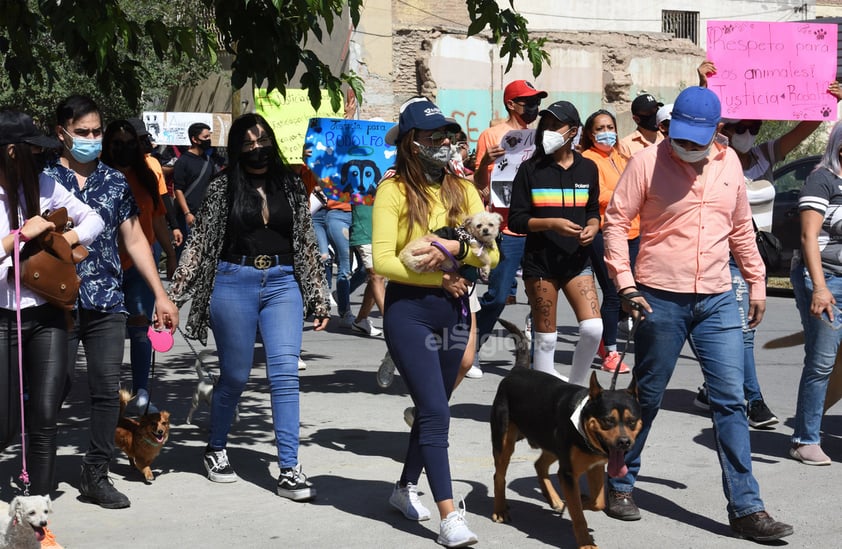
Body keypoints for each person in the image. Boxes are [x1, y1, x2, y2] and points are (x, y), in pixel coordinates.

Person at [602, 86, 793, 542]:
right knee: (647, 398)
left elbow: (740, 228)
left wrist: (756, 281)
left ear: (716, 132)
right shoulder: (646, 162)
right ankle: (620, 483)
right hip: (657, 297)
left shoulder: (730, 164)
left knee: (730, 400)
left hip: (717, 297)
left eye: (696, 138)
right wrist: (625, 284)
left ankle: (747, 508)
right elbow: (614, 222)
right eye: (680, 136)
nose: (686, 146)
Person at [167, 113, 330, 500]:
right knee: (235, 377)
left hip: (283, 283)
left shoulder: (290, 183)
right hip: (233, 282)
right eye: (248, 142)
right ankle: (217, 447)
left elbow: (306, 241)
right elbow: (200, 245)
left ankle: (289, 467)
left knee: (285, 375)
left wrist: (317, 296)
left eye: (262, 140)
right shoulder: (223, 187)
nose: (257, 148)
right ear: (237, 149)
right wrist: (172, 299)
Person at [373, 98, 496, 547]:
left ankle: (404, 486)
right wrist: (437, 275)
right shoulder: (391, 191)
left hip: (456, 309)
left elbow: (493, 252)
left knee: (431, 408)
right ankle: (449, 517)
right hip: (409, 312)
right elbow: (384, 261)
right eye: (433, 136)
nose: (444, 142)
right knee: (437, 410)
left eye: (448, 135)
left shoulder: (463, 189)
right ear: (411, 143)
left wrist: (459, 255)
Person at [46, 95, 179, 510]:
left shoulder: (115, 181)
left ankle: (96, 474)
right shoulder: (43, 178)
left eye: (96, 131)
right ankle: (39, 469)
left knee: (106, 390)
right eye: (82, 132)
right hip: (54, 300)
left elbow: (135, 238)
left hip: (106, 298)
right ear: (62, 133)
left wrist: (160, 293)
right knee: (53, 386)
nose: (91, 139)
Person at [693, 61, 842, 428]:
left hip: (755, 254)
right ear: (724, 126)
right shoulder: (716, 155)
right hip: (720, 252)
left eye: (753, 126)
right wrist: (704, 85)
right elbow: (701, 131)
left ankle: (716, 387)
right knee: (742, 330)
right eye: (738, 125)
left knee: (742, 327)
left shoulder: (765, 155)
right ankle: (753, 401)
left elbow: (807, 124)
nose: (747, 131)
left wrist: (828, 98)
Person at [0, 110, 104, 548]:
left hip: (47, 315)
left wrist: (62, 241)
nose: (45, 157)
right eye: (36, 150)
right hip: (2, 319)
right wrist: (22, 236)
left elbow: (95, 220)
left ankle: (35, 515)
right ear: (11, 152)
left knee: (45, 415)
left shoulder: (44, 186)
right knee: (5, 421)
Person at [508, 101, 602, 385]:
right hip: (540, 265)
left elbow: (593, 209)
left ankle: (575, 389)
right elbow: (516, 220)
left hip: (577, 262)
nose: (547, 130)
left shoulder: (588, 169)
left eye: (555, 125)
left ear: (573, 131)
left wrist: (594, 226)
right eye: (545, 124)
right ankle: (543, 397)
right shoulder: (530, 170)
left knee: (593, 329)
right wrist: (551, 224)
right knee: (546, 339)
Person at [100, 119, 178, 414]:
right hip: (104, 269)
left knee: (140, 327)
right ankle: (109, 395)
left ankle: (141, 392)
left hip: (139, 267)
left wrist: (170, 254)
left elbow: (157, 219)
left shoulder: (146, 177)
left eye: (130, 143)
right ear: (107, 146)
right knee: (106, 332)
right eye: (117, 143)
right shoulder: (98, 177)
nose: (124, 149)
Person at [473, 79, 547, 378]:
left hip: (538, 225)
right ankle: (473, 347)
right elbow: (479, 185)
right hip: (507, 228)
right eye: (527, 101)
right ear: (511, 104)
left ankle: (542, 361)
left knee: (542, 293)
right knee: (499, 293)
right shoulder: (492, 136)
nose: (534, 107)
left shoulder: (542, 137)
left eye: (536, 102)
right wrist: (483, 164)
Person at [789, 120, 842, 466]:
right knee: (822, 361)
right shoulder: (822, 179)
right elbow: (809, 237)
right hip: (826, 279)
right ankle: (805, 438)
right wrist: (820, 288)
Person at [580, 109, 636, 375]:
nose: (606, 132)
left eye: (610, 126)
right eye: (600, 128)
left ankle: (606, 343)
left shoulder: (621, 156)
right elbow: (598, 194)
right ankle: (610, 352)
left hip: (632, 231)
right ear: (590, 134)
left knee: (629, 290)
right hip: (604, 231)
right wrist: (626, 194)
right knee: (613, 292)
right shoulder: (588, 160)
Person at [172, 122, 216, 257]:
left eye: (209, 137)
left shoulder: (209, 161)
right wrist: (187, 213)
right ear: (195, 139)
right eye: (205, 137)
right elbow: (178, 189)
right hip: (188, 217)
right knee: (186, 254)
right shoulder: (183, 161)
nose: (208, 140)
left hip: (206, 215)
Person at [349, 203, 384, 336]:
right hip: (364, 231)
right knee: (377, 275)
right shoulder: (357, 185)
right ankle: (391, 325)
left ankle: (360, 320)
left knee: (378, 277)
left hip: (385, 231)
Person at [617, 92, 664, 160]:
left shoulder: (666, 138)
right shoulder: (625, 145)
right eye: (649, 112)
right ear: (636, 119)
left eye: (656, 109)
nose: (655, 114)